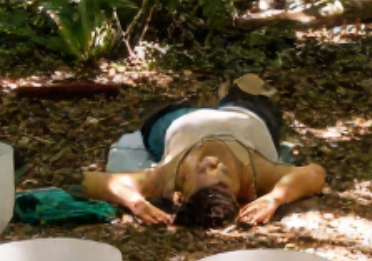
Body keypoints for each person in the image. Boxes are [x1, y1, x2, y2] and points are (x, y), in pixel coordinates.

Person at [83, 75, 325, 231]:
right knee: (251, 82)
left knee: (157, 115)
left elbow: (90, 181)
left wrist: (135, 202)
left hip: (179, 121)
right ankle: (224, 97)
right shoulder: (255, 176)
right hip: (245, 116)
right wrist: (275, 198)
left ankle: (201, 99)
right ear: (242, 193)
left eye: (203, 171)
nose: (213, 163)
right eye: (222, 174)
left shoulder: (166, 178)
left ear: (182, 192)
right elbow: (315, 173)